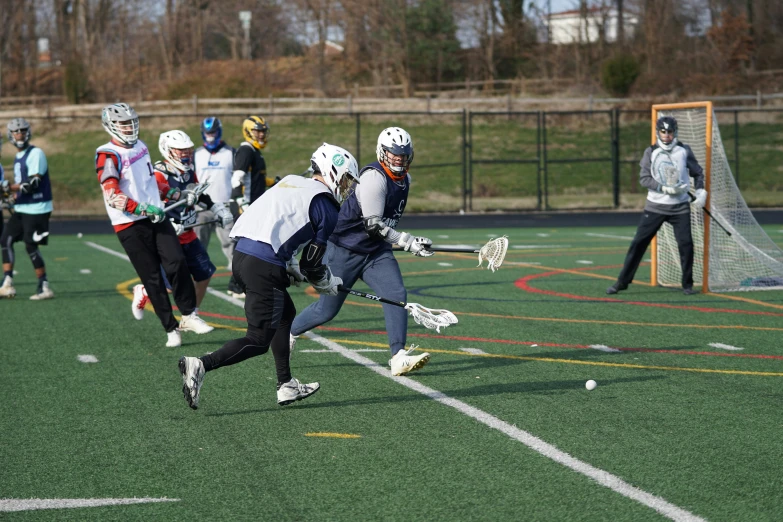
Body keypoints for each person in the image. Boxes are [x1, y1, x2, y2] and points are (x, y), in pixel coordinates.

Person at [178, 143, 359, 409]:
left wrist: (289, 265)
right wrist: (326, 282)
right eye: (345, 179)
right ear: (333, 172)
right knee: (258, 340)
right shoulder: (326, 206)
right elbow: (312, 265)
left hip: (243, 254)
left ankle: (286, 385)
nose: (346, 186)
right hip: (263, 264)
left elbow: (279, 225)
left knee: (286, 313)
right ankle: (201, 364)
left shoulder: (292, 181)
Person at [290, 127, 435, 377]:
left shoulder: (405, 181)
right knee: (326, 310)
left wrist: (415, 244)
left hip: (376, 252)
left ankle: (398, 356)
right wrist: (406, 241)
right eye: (394, 154)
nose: (399, 159)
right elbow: (374, 225)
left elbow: (384, 228)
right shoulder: (374, 178)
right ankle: (288, 333)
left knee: (396, 294)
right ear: (382, 153)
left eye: (403, 154)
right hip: (345, 249)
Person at [94, 102, 212, 347]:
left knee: (177, 261)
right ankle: (170, 329)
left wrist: (178, 195)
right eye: (123, 123)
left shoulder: (141, 146)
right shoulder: (107, 153)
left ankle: (189, 315)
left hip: (156, 217)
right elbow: (112, 195)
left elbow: (152, 184)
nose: (129, 127)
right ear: (111, 126)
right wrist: (142, 208)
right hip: (129, 224)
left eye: (131, 122)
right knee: (152, 278)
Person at [130, 130, 233, 320]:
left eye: (187, 150)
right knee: (170, 286)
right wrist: (166, 223)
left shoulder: (188, 172)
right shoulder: (159, 174)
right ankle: (143, 290)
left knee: (205, 274)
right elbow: (150, 206)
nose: (185, 154)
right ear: (168, 150)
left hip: (189, 235)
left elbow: (198, 193)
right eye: (180, 151)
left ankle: (191, 316)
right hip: (168, 236)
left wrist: (217, 208)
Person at [606, 116, 707, 296]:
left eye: (670, 132)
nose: (667, 135)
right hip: (655, 207)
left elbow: (697, 173)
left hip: (680, 208)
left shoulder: (684, 150)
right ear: (657, 132)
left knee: (686, 245)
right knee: (638, 243)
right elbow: (644, 179)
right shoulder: (650, 152)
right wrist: (664, 188)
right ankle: (622, 282)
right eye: (663, 131)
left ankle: (687, 285)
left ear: (675, 132)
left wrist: (700, 191)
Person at [0, 118, 54, 300]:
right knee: (6, 239)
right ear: (10, 135)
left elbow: (33, 183)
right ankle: (7, 283)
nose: (19, 134)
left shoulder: (36, 153)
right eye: (16, 131)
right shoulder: (18, 157)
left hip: (38, 207)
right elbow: (21, 189)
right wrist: (11, 196)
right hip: (23, 207)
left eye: (22, 130)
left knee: (30, 246)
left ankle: (44, 286)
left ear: (28, 132)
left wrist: (6, 187)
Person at [194, 117, 235, 270]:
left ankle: (237, 280)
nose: (210, 135)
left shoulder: (231, 152)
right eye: (207, 133)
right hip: (201, 208)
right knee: (197, 243)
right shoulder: (196, 154)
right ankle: (197, 275)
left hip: (225, 206)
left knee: (231, 242)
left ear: (219, 132)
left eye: (213, 132)